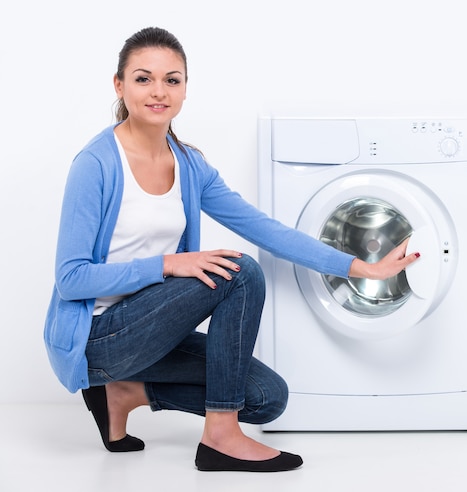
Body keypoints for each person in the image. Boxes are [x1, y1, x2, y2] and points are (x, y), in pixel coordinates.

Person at [43, 26, 420, 473]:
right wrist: (167, 264)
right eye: (143, 79)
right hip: (99, 340)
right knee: (239, 271)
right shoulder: (97, 164)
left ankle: (127, 394)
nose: (158, 91)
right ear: (119, 85)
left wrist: (362, 268)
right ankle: (220, 436)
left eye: (172, 79)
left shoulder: (189, 165)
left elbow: (264, 229)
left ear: (185, 89)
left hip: (155, 334)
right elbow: (71, 279)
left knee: (265, 398)